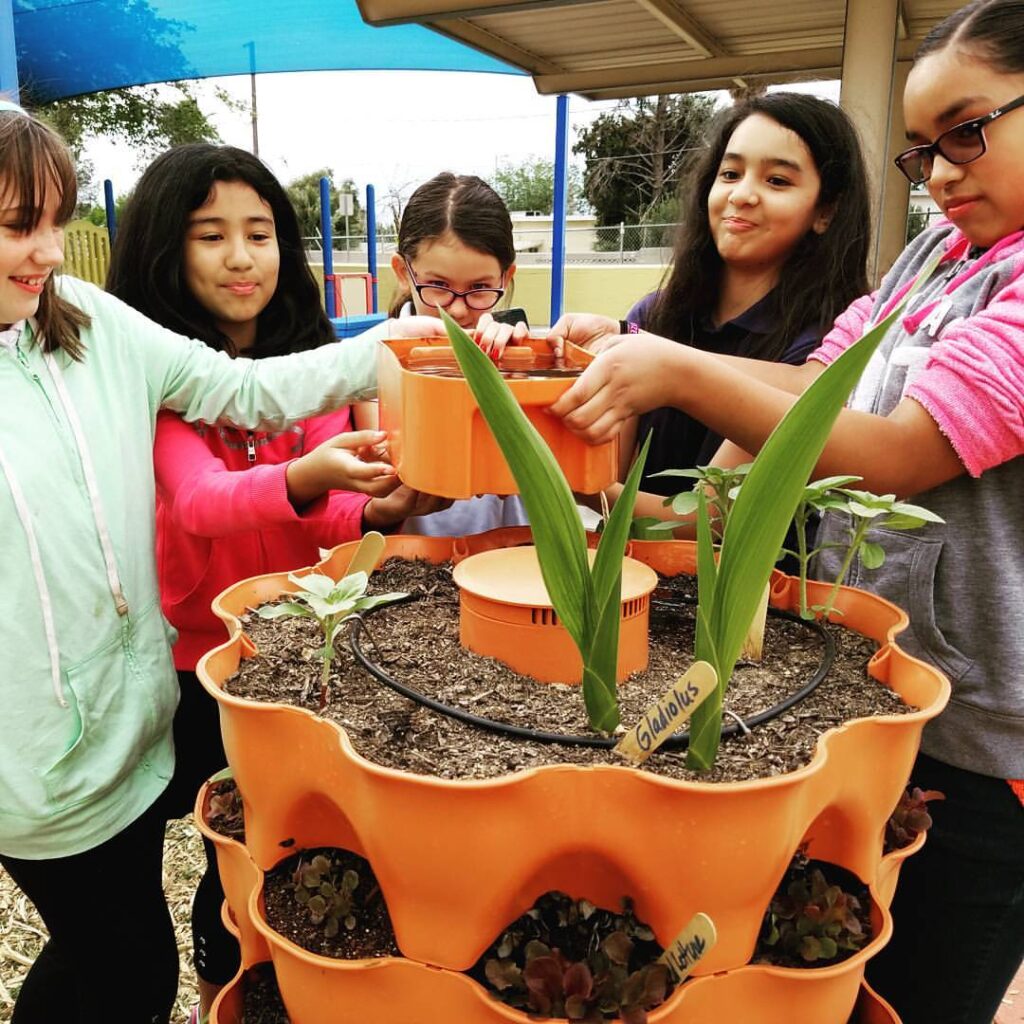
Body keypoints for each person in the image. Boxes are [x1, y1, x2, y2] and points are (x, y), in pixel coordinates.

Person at [549, 2, 1024, 1019]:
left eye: (968, 131)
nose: (941, 171)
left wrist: (673, 371)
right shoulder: (939, 255)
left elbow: (901, 453)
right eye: (923, 150)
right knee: (838, 971)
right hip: (872, 684)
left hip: (989, 738)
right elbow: (818, 385)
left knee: (929, 977)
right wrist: (693, 511)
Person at [0, 108, 439, 1024]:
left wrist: (407, 343)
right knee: (124, 968)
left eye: (53, 220)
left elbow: (244, 391)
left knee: (109, 958)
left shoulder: (85, 324)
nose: (44, 251)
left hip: (131, 727)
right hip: (28, 758)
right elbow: (198, 501)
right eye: (16, 225)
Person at [558, 92, 871, 528]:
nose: (742, 195)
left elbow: (709, 523)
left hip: (753, 593)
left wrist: (561, 477)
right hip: (629, 583)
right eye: (730, 173)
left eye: (777, 181)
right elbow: (613, 474)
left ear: (825, 211)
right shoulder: (654, 316)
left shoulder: (826, 341)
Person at [383, 171, 531, 535]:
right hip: (412, 563)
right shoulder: (377, 356)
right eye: (437, 286)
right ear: (404, 272)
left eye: (480, 288)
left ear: (506, 278)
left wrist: (517, 368)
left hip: (506, 555)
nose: (458, 310)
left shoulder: (515, 347)